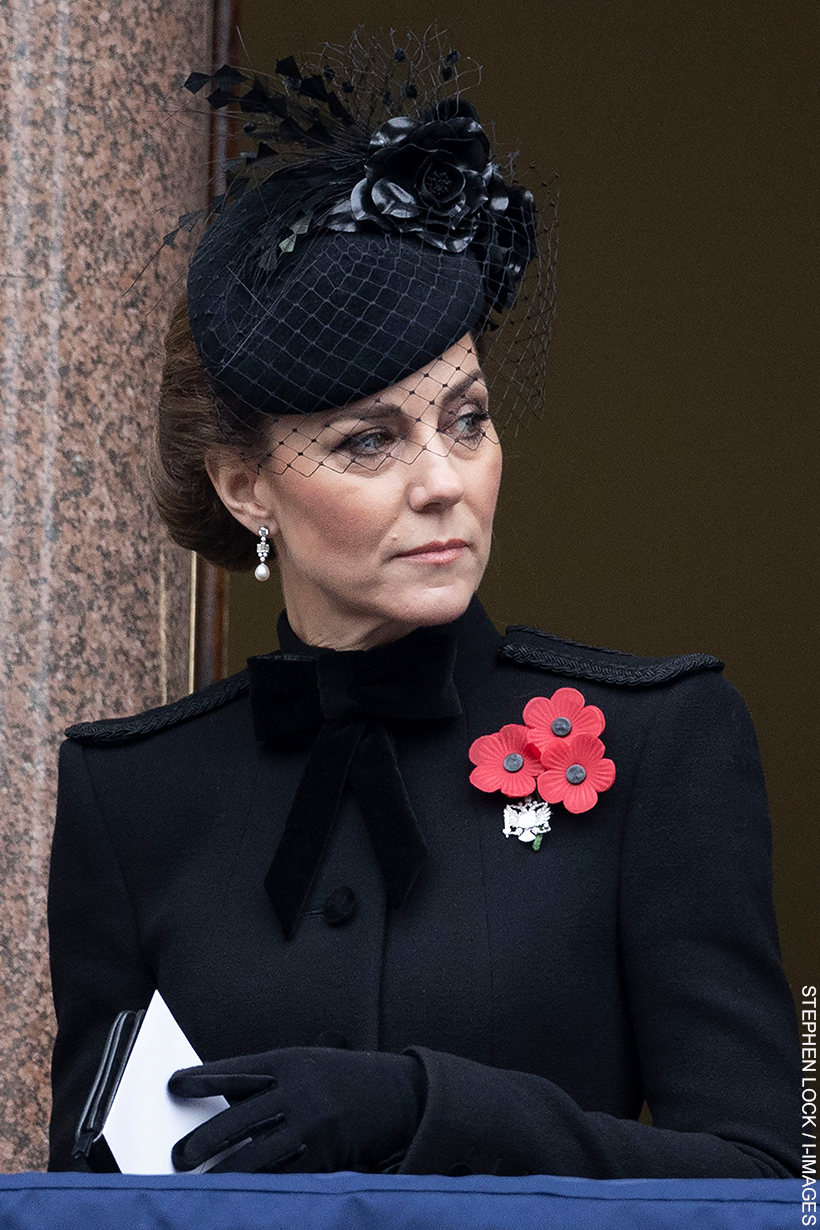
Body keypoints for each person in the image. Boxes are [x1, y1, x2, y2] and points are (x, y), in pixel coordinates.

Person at [47, 35, 799, 1178]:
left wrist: (423, 1107)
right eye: (368, 441)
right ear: (246, 485)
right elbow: (96, 1196)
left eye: (465, 418)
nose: (442, 479)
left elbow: (779, 1186)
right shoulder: (131, 798)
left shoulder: (663, 743)